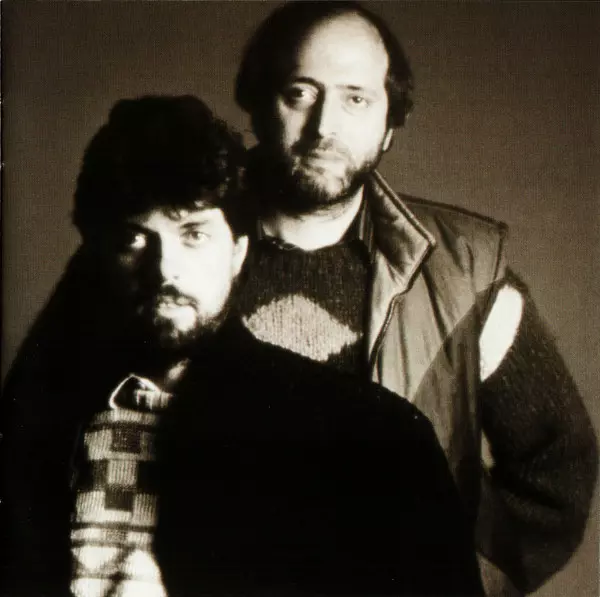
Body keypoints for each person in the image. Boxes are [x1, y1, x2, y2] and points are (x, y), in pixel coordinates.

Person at [0, 95, 484, 597]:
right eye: (132, 240)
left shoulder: (372, 439)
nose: (165, 269)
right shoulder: (35, 428)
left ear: (237, 253)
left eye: (193, 234)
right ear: (96, 257)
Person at [233, 2, 598, 596]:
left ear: (389, 124)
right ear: (257, 104)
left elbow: (558, 467)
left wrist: (452, 581)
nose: (325, 126)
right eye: (300, 92)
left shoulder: (466, 272)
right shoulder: (160, 254)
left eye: (356, 98)